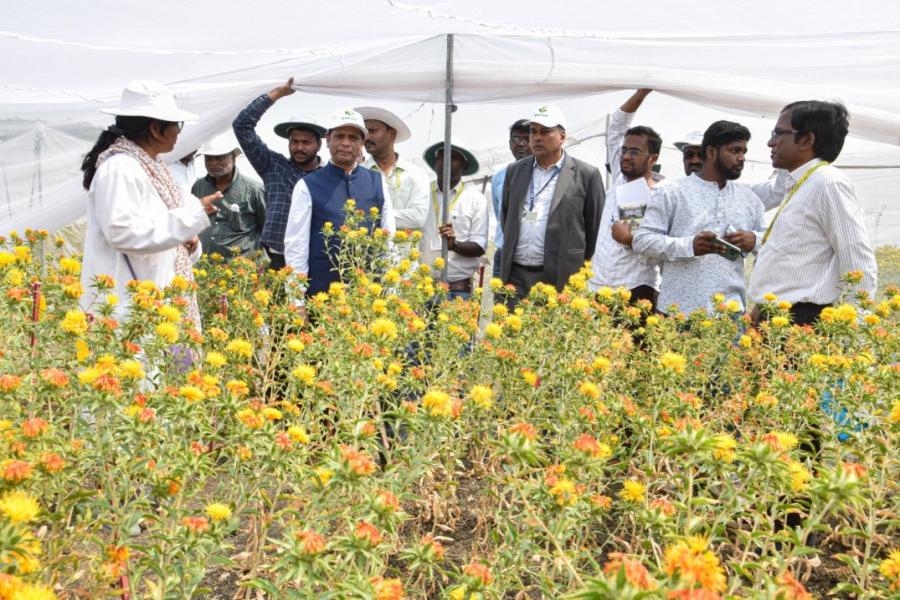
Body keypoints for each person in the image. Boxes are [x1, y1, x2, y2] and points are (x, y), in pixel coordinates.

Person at [79, 80, 218, 326]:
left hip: (155, 302)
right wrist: (193, 216)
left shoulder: (155, 169)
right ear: (155, 129)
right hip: (126, 309)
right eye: (176, 125)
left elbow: (173, 235)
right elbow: (123, 233)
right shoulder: (120, 169)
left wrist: (191, 240)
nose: (179, 131)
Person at [749, 101, 877, 325]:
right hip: (774, 318)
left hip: (800, 320)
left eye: (778, 133)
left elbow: (857, 260)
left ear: (806, 140)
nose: (771, 142)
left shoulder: (828, 183)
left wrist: (857, 332)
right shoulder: (801, 184)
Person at [632, 121, 764, 315]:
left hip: (729, 315)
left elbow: (772, 249)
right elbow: (642, 241)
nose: (741, 158)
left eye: (744, 151)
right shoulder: (672, 193)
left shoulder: (750, 200)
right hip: (677, 313)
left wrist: (755, 240)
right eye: (734, 151)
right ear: (711, 152)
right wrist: (689, 246)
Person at [284, 108, 395, 297]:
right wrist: (296, 301)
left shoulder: (377, 181)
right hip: (321, 293)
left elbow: (388, 240)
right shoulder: (307, 185)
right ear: (328, 140)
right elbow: (296, 246)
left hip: (367, 295)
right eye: (339, 136)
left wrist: (391, 292)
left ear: (362, 143)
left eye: (353, 138)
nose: (345, 143)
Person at [499, 104, 604, 300]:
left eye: (545, 131)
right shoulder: (514, 171)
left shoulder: (587, 175)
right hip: (516, 277)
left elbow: (595, 231)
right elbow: (507, 219)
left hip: (560, 277)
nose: (537, 137)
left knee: (552, 330)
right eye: (533, 131)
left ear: (562, 136)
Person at [233, 77, 325, 269]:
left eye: (306, 142)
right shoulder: (273, 166)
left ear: (319, 144)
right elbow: (242, 126)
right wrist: (278, 93)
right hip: (277, 258)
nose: (299, 147)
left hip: (315, 258)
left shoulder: (328, 177)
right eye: (294, 142)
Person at [588, 122, 662, 308]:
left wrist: (629, 239)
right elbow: (616, 128)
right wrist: (641, 93)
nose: (627, 157)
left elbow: (661, 250)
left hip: (635, 289)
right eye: (624, 150)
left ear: (653, 159)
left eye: (635, 152)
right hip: (598, 288)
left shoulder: (662, 196)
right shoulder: (620, 181)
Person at [421, 140, 488, 300]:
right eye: (441, 157)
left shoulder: (475, 199)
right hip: (423, 287)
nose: (445, 162)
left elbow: (480, 246)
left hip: (458, 291)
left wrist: (454, 245)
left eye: (453, 157)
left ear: (464, 166)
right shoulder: (422, 193)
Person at [192, 132, 266, 261]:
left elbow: (266, 229)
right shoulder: (199, 187)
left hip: (242, 271)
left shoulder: (254, 189)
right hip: (204, 267)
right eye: (209, 158)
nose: (213, 163)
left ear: (233, 158)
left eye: (220, 158)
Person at [357, 107, 430, 232]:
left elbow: (418, 217)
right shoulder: (357, 174)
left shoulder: (416, 174)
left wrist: (376, 216)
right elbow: (353, 216)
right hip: (369, 250)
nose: (367, 137)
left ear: (392, 134)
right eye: (365, 133)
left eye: (372, 131)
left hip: (406, 250)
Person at [490, 119, 531, 278]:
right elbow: (499, 212)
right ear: (509, 143)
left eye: (526, 139)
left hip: (532, 256)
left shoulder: (543, 176)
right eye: (516, 139)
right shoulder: (499, 178)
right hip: (504, 253)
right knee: (503, 302)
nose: (521, 144)